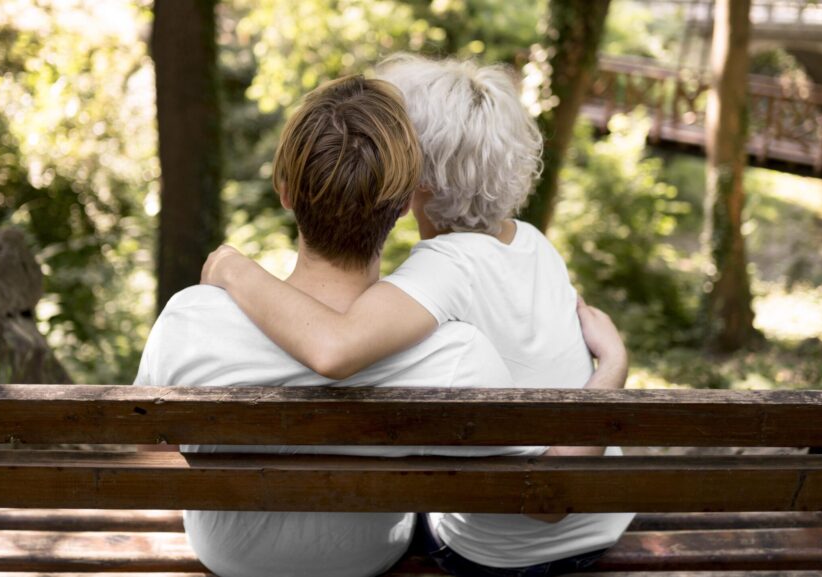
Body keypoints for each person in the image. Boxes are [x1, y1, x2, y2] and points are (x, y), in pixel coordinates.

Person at [201, 55, 634, 577]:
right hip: (603, 524)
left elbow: (332, 347)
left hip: (501, 554)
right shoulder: (533, 244)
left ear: (416, 175)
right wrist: (612, 362)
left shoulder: (440, 269)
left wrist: (235, 270)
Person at [135, 74, 552, 577]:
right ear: (402, 207)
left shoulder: (189, 319)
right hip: (367, 558)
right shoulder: (457, 354)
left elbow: (148, 446)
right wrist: (611, 365)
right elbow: (536, 477)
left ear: (285, 192)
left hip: (227, 557)